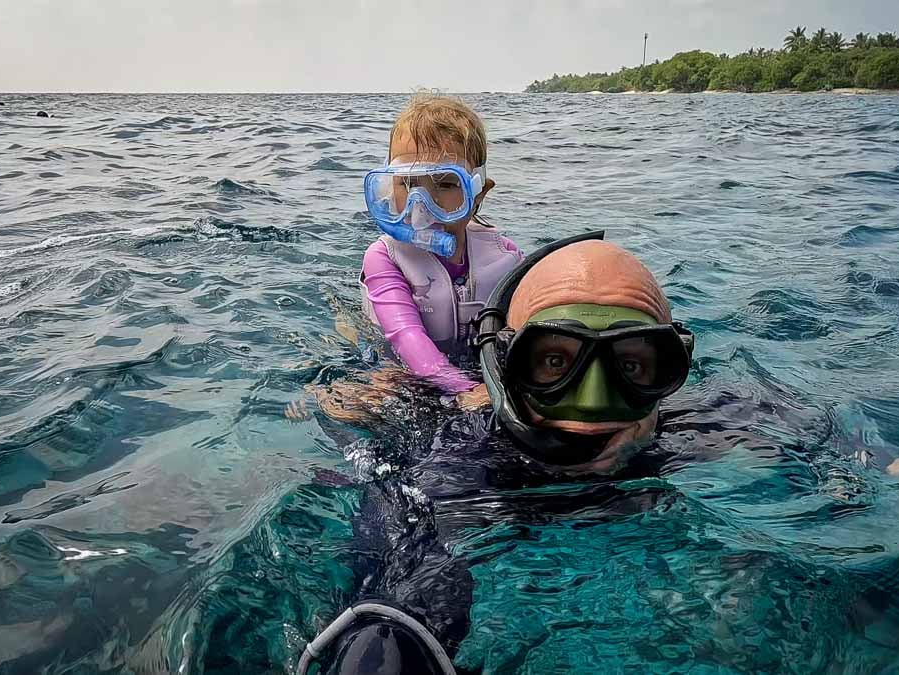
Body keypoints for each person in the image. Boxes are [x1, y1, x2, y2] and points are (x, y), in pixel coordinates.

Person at [298, 231, 698, 674]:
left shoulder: (709, 427)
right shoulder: (459, 458)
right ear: (503, 364)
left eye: (630, 364)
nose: (591, 402)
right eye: (554, 362)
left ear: (670, 367)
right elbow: (406, 574)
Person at [360, 94, 523, 402]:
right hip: (403, 367)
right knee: (365, 399)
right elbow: (406, 337)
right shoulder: (384, 258)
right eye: (406, 184)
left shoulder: (505, 256)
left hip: (475, 369)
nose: (421, 204)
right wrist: (466, 389)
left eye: (446, 185)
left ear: (478, 194)